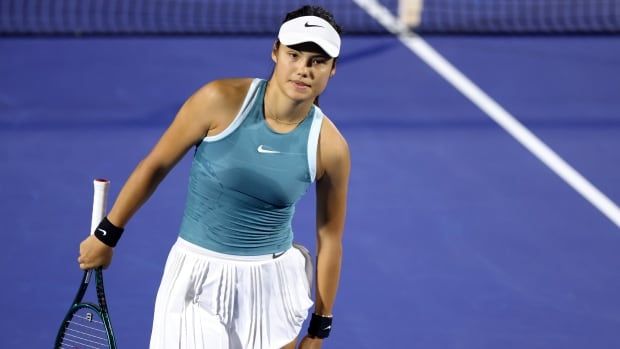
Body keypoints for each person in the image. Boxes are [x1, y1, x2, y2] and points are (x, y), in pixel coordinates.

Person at [77, 5, 350, 349]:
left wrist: (319, 329)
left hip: (272, 283)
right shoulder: (218, 100)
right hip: (197, 277)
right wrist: (107, 234)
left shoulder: (330, 147)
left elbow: (330, 239)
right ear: (275, 52)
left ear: (332, 69)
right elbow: (155, 165)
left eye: (317, 61)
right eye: (294, 55)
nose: (303, 69)